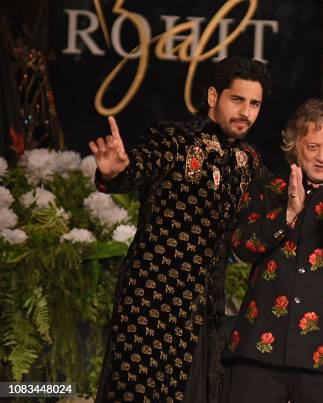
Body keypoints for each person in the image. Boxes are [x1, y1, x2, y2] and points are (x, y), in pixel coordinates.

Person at [89, 56, 270, 403]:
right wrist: (114, 173)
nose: (246, 111)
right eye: (238, 99)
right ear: (214, 97)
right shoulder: (173, 139)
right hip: (152, 307)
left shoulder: (249, 161)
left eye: (255, 103)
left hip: (205, 313)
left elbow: (272, 213)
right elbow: (138, 167)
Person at [221, 99, 323, 403]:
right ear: (295, 146)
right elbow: (241, 246)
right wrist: (286, 215)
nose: (322, 157)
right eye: (313, 147)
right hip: (257, 353)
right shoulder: (266, 189)